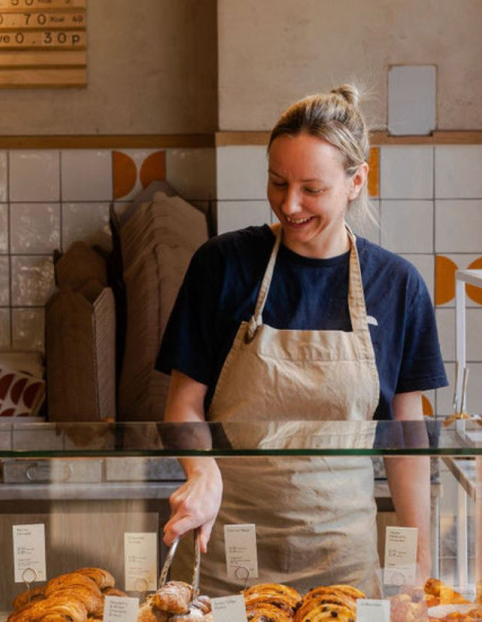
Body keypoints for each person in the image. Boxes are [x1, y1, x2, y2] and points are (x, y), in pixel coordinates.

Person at [154, 85, 447, 595]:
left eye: (312, 189)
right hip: (228, 553)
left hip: (343, 562)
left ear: (356, 181)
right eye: (277, 182)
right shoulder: (222, 266)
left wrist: (419, 559)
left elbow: (406, 439)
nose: (290, 205)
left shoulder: (397, 286)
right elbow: (183, 405)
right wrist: (200, 473)